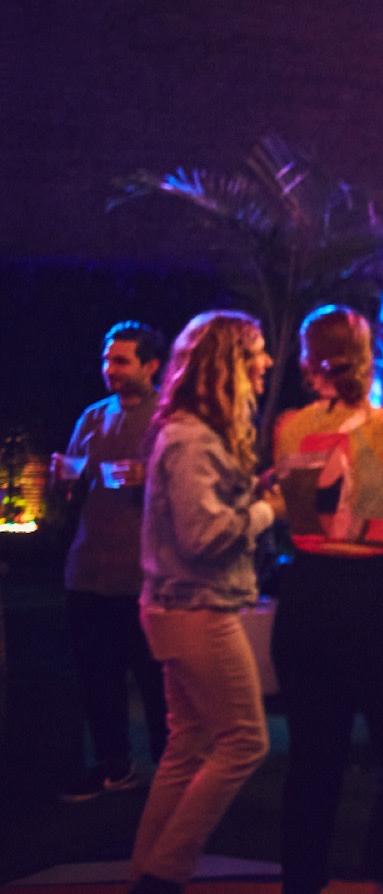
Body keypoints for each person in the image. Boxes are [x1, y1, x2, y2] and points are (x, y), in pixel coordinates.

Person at [270, 305, 383, 894]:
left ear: (308, 360)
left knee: (312, 761)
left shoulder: (288, 427)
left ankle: (302, 881)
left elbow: (297, 513)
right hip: (377, 598)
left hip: (306, 595)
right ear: (368, 358)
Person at [129, 312, 281, 894]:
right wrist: (268, 510)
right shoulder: (194, 438)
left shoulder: (186, 432)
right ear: (227, 364)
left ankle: (145, 873)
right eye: (256, 351)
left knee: (186, 745)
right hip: (197, 609)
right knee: (245, 741)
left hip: (173, 608)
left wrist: (252, 493)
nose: (267, 362)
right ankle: (165, 874)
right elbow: (203, 537)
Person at [53, 321, 171, 801]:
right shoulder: (92, 417)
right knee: (97, 678)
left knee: (156, 682)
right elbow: (75, 491)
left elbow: (185, 492)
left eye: (121, 361)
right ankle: (114, 765)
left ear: (151, 365)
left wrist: (147, 478)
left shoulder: (168, 419)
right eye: (107, 360)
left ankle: (171, 773)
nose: (110, 369)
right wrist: (65, 479)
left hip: (144, 576)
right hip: (89, 571)